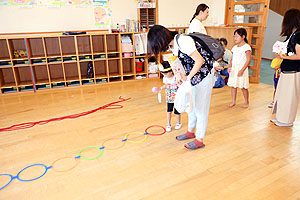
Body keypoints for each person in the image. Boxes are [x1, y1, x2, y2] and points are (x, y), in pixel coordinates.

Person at [148, 25, 214, 150]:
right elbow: (184, 62)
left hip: (204, 76)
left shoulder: (183, 41)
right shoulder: (174, 45)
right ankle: (190, 132)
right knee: (192, 106)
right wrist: (180, 76)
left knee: (201, 109)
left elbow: (199, 61)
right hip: (194, 77)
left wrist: (187, 78)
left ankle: (199, 139)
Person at [271, 8, 300, 127]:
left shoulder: (298, 35)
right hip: (286, 70)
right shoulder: (291, 34)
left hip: (293, 71)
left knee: (289, 97)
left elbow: (299, 55)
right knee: (282, 95)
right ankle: (281, 118)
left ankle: (286, 121)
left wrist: (284, 57)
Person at [227, 28, 252, 108]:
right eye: (234, 36)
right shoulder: (234, 48)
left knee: (243, 86)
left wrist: (242, 70)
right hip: (234, 68)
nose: (235, 38)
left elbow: (248, 60)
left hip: (242, 69)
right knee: (234, 85)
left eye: (237, 36)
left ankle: (246, 102)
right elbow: (232, 59)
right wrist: (229, 66)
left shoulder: (246, 47)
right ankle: (233, 101)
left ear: (243, 36)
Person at [158, 61, 182, 132]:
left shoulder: (176, 77)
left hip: (177, 96)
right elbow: (166, 85)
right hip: (169, 97)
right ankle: (168, 124)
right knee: (169, 111)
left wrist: (179, 84)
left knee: (177, 111)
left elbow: (180, 85)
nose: (164, 75)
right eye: (163, 73)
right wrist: (161, 88)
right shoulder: (165, 78)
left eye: (165, 73)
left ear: (171, 71)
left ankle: (178, 122)